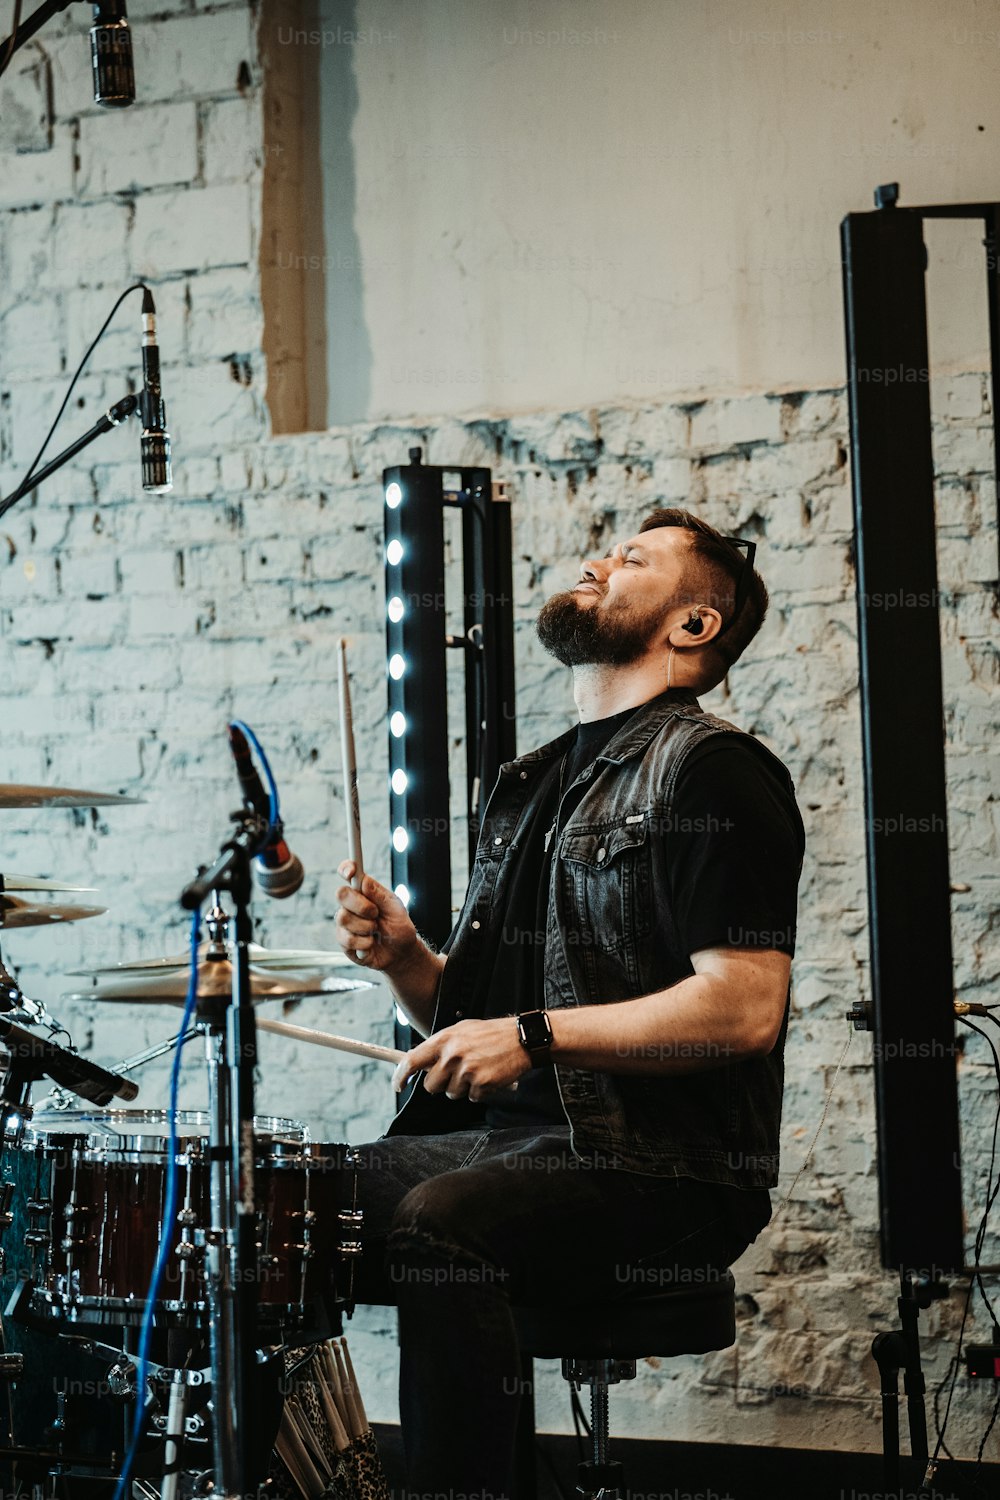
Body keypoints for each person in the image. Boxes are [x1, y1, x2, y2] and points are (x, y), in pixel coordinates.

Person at [334, 507, 805, 1495]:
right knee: (256, 1198)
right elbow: (480, 1025)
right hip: (511, 1144)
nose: (596, 561)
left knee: (438, 1222)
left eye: (631, 559)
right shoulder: (533, 781)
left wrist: (533, 1037)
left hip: (664, 1170)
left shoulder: (713, 772)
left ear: (692, 627)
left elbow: (743, 1008)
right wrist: (405, 960)